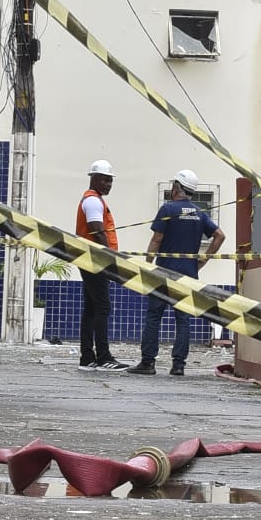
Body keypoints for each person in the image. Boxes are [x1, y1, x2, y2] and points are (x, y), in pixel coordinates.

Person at [129, 170, 225, 376]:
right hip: (188, 275)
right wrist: (203, 259)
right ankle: (178, 365)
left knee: (154, 316)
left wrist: (147, 264)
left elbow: (156, 239)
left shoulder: (167, 209)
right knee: (183, 319)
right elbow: (219, 236)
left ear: (176, 188)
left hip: (162, 273)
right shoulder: (199, 213)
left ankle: (148, 363)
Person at [75, 159, 127, 371]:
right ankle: (103, 357)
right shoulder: (93, 201)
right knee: (102, 307)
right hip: (95, 260)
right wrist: (110, 260)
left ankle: (87, 357)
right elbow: (96, 230)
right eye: (105, 180)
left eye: (110, 181)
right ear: (94, 178)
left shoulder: (93, 200)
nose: (108, 184)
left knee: (91, 308)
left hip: (89, 259)